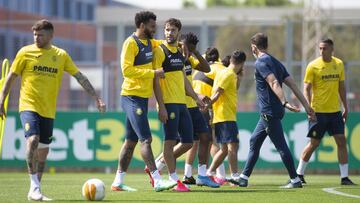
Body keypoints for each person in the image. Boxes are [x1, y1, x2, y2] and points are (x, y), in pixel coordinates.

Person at [0, 19, 106, 201]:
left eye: (40, 35)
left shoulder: (61, 55)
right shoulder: (25, 53)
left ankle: (36, 189)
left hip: (48, 110)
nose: (36, 38)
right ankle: (33, 185)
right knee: (33, 139)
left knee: (43, 151)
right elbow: (11, 76)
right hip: (28, 105)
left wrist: (96, 98)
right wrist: (1, 99)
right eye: (34, 34)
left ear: (51, 35)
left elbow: (79, 76)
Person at [110, 11, 177, 192]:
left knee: (130, 142)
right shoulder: (130, 43)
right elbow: (127, 71)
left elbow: (166, 43)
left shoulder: (150, 42)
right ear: (142, 26)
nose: (155, 30)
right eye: (152, 26)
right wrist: (153, 73)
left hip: (141, 99)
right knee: (146, 140)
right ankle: (157, 179)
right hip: (131, 97)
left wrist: (181, 44)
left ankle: (118, 181)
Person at [238, 33, 315, 189]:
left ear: (254, 47)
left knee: (280, 146)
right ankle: (243, 177)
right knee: (254, 141)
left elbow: (273, 82)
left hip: (270, 111)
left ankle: (295, 180)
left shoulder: (260, 62)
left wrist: (285, 102)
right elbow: (293, 84)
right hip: (271, 111)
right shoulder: (276, 62)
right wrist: (307, 107)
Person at [153, 33, 219, 188]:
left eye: (190, 49)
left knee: (204, 137)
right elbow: (174, 85)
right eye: (185, 47)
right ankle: (161, 167)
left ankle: (202, 175)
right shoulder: (171, 58)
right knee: (183, 142)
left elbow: (206, 68)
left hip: (191, 104)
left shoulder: (187, 60)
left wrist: (195, 52)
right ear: (179, 43)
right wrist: (198, 95)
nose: (186, 51)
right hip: (179, 104)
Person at [296, 38, 356, 185]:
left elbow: (341, 87)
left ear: (332, 50)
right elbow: (306, 88)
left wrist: (346, 107)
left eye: (325, 48)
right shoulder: (313, 66)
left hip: (335, 112)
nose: (322, 51)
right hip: (318, 112)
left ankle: (344, 177)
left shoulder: (339, 64)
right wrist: (309, 107)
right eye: (320, 48)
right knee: (314, 144)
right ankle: (299, 173)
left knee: (341, 141)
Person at [206, 50, 246, 185]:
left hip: (222, 115)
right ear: (242, 63)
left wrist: (239, 79)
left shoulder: (227, 73)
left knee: (223, 150)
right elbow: (217, 93)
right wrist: (207, 105)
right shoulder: (228, 74)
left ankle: (209, 172)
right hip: (225, 116)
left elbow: (230, 91)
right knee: (232, 147)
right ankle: (235, 177)